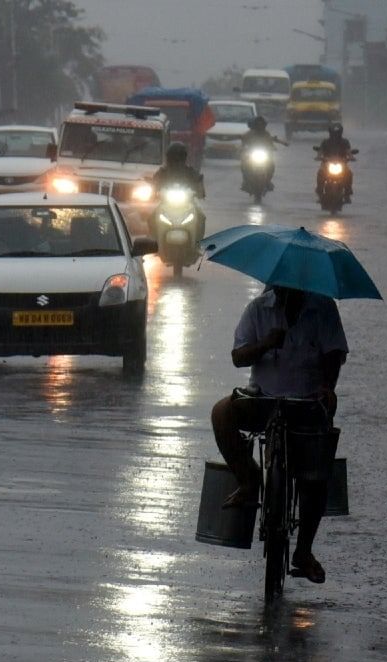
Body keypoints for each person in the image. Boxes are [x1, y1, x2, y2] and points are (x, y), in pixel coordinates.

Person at [211, 285, 349, 584]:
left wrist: (328, 387)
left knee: (316, 472)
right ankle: (249, 481)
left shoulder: (323, 308)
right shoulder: (258, 308)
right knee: (221, 412)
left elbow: (335, 353)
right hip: (262, 400)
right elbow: (238, 356)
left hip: (306, 403)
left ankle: (303, 550)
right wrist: (265, 344)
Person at [152, 142, 206, 237]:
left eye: (179, 157)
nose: (176, 160)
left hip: (188, 204)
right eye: (174, 157)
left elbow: (199, 184)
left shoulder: (190, 171)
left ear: (184, 157)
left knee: (201, 216)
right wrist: (154, 191)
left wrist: (200, 191)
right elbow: (154, 184)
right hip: (166, 204)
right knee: (151, 216)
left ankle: (198, 242)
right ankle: (154, 240)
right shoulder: (162, 172)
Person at [240, 116, 287, 191]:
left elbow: (272, 140)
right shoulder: (250, 133)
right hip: (252, 155)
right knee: (244, 165)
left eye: (261, 124)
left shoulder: (266, 133)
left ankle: (268, 181)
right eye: (258, 124)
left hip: (264, 155)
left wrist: (278, 145)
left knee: (271, 165)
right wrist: (243, 148)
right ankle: (246, 181)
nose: (260, 126)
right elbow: (243, 139)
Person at [315, 123, 354, 201]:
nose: (335, 135)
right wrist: (319, 156)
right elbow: (320, 151)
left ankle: (348, 191)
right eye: (333, 133)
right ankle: (320, 190)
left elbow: (348, 151)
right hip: (327, 164)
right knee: (320, 173)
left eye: (337, 133)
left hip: (342, 164)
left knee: (349, 173)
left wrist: (351, 157)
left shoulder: (345, 142)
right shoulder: (325, 142)